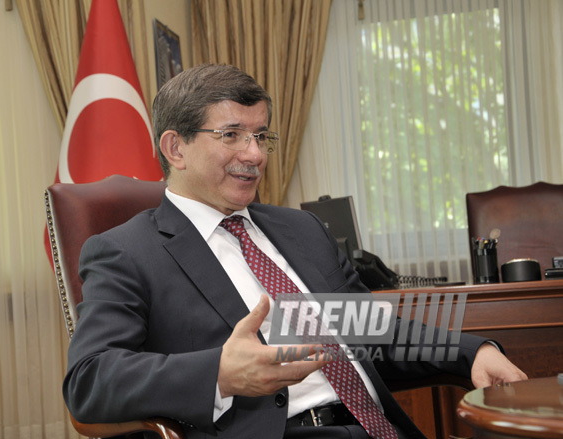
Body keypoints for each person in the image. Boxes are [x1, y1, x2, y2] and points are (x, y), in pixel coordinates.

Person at [63, 64, 526, 439]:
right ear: (175, 148)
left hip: (379, 427)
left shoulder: (302, 228)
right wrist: (219, 374)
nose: (256, 154)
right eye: (232, 135)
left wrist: (472, 353)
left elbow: (369, 332)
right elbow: (89, 380)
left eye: (261, 135)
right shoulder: (126, 252)